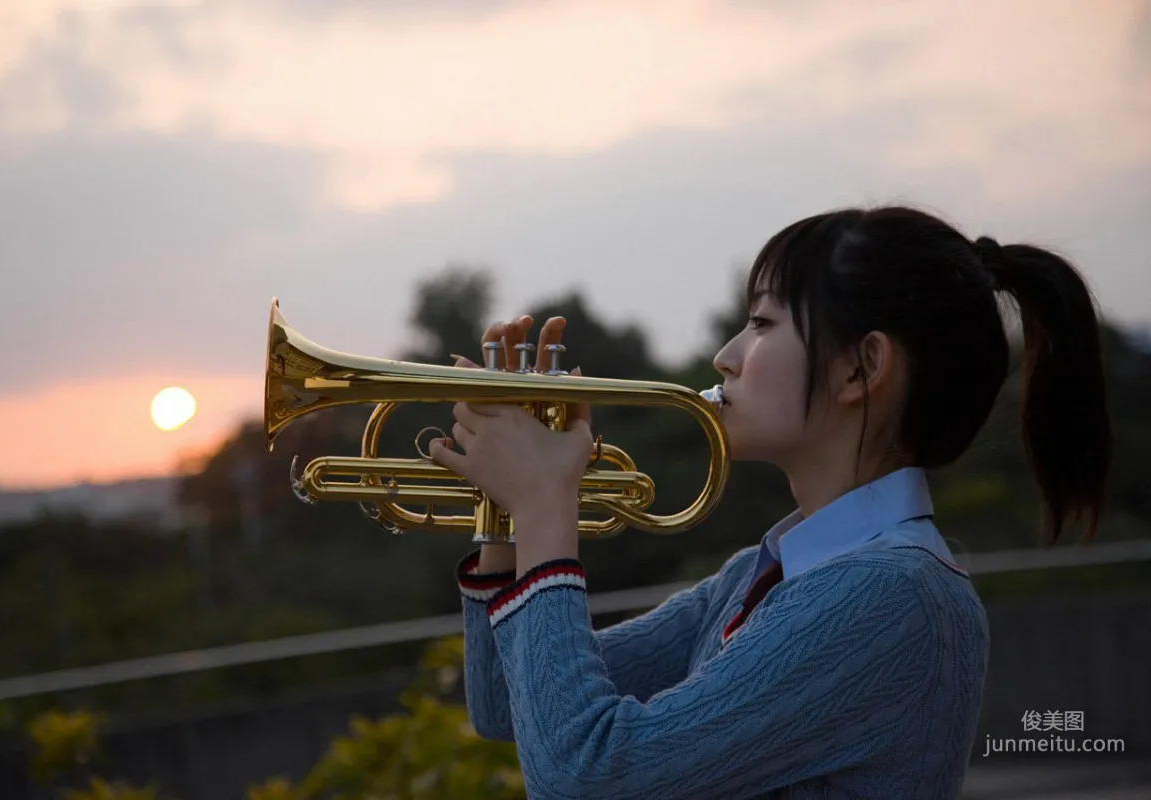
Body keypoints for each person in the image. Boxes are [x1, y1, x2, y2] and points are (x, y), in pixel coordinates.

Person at [427, 205, 1112, 799]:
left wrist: (547, 505)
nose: (726, 356)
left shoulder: (894, 596)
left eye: (760, 323)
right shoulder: (767, 574)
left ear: (860, 368)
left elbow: (588, 777)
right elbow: (506, 707)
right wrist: (509, 522)